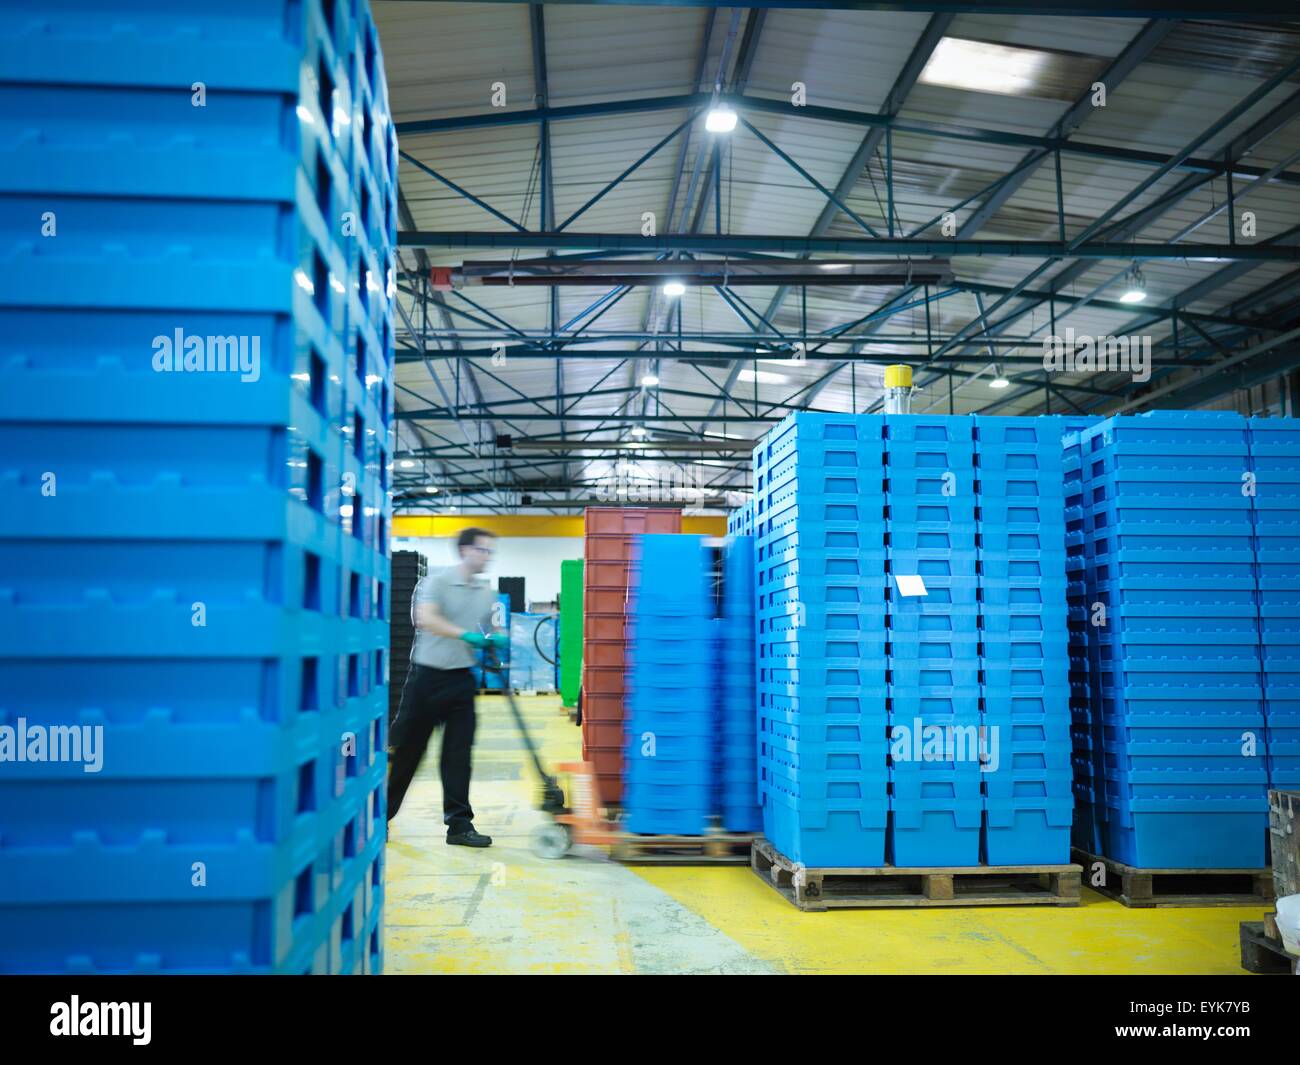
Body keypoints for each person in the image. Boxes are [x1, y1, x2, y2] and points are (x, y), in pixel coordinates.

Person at [387, 527, 506, 847]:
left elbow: (494, 624)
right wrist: (466, 635)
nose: (487, 557)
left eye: (490, 552)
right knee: (409, 752)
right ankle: (379, 817)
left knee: (458, 754)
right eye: (482, 550)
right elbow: (425, 619)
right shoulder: (435, 582)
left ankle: (459, 825)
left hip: (461, 681)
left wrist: (497, 636)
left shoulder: (485, 591)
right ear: (464, 550)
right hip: (426, 678)